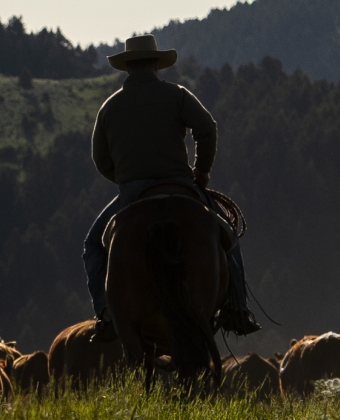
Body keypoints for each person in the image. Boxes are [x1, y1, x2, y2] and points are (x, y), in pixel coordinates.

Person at [83, 34, 261, 343]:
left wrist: (126, 180)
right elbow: (207, 128)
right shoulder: (177, 95)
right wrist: (201, 172)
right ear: (155, 63)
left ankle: (107, 314)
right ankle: (237, 308)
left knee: (93, 247)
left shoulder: (109, 108)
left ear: (127, 68)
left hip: (132, 192)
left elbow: (100, 158)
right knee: (229, 237)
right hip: (180, 185)